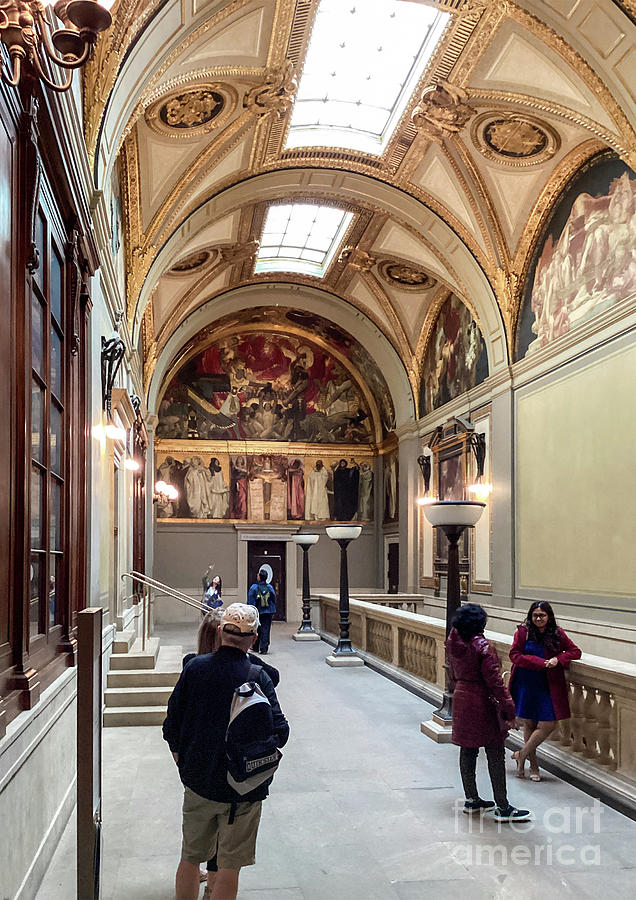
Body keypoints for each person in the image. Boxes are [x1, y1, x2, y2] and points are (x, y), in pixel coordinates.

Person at [163, 603, 289, 900]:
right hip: (243, 790)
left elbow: (171, 726)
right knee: (230, 867)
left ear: (221, 633)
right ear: (254, 639)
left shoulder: (194, 668)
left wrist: (185, 764)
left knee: (190, 858)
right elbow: (281, 733)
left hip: (199, 782)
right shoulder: (258, 677)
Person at [447, 603, 531, 823]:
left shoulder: (453, 641)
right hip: (481, 700)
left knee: (468, 751)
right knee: (495, 752)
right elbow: (495, 682)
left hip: (462, 696)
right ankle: (503, 807)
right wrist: (509, 710)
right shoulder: (482, 646)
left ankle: (472, 799)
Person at [509, 600, 581, 781]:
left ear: (549, 617)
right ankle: (534, 767)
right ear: (530, 616)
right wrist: (540, 662)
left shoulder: (557, 633)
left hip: (549, 685)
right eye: (535, 615)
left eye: (542, 615)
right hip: (527, 682)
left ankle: (521, 754)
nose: (538, 618)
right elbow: (515, 655)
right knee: (530, 724)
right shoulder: (523, 633)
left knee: (549, 723)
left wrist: (559, 658)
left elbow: (575, 651)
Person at [247, 570, 276, 654]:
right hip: (268, 611)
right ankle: (264, 648)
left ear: (259, 577)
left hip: (257, 611)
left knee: (256, 628)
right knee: (266, 629)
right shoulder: (270, 587)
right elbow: (273, 598)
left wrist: (251, 610)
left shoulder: (254, 587)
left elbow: (250, 600)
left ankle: (255, 646)